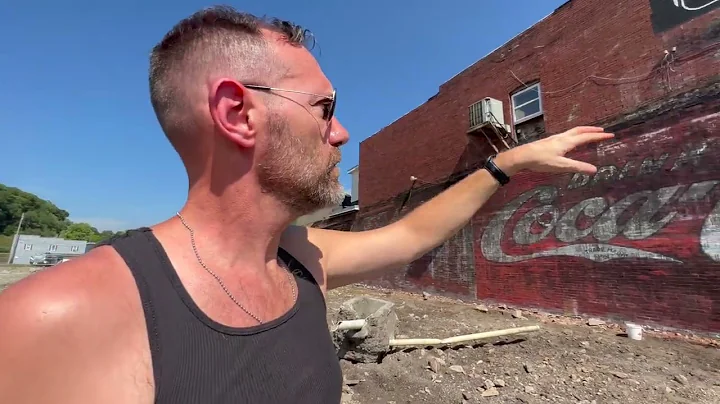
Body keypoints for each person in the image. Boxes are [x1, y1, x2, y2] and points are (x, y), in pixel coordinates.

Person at [0, 6, 613, 404]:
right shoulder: (55, 316)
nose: (342, 131)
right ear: (237, 112)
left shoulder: (299, 258)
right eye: (324, 107)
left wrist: (507, 162)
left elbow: (409, 236)